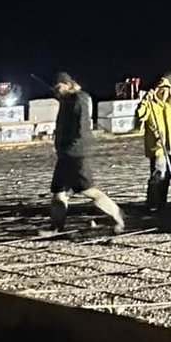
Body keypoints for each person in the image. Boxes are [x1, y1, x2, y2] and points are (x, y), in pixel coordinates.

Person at [48, 72, 126, 234]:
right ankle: (56, 228)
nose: (57, 91)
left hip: (76, 153)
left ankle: (117, 214)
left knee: (86, 189)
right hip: (64, 154)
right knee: (58, 191)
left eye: (59, 87)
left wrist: (74, 149)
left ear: (68, 84)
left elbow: (82, 128)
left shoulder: (79, 99)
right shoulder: (65, 102)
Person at [135, 77, 171, 211]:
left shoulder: (170, 108)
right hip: (158, 148)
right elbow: (140, 114)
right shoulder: (150, 106)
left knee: (168, 176)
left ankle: (162, 202)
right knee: (158, 175)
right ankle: (152, 203)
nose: (164, 93)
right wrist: (145, 101)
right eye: (161, 90)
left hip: (170, 147)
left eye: (166, 90)